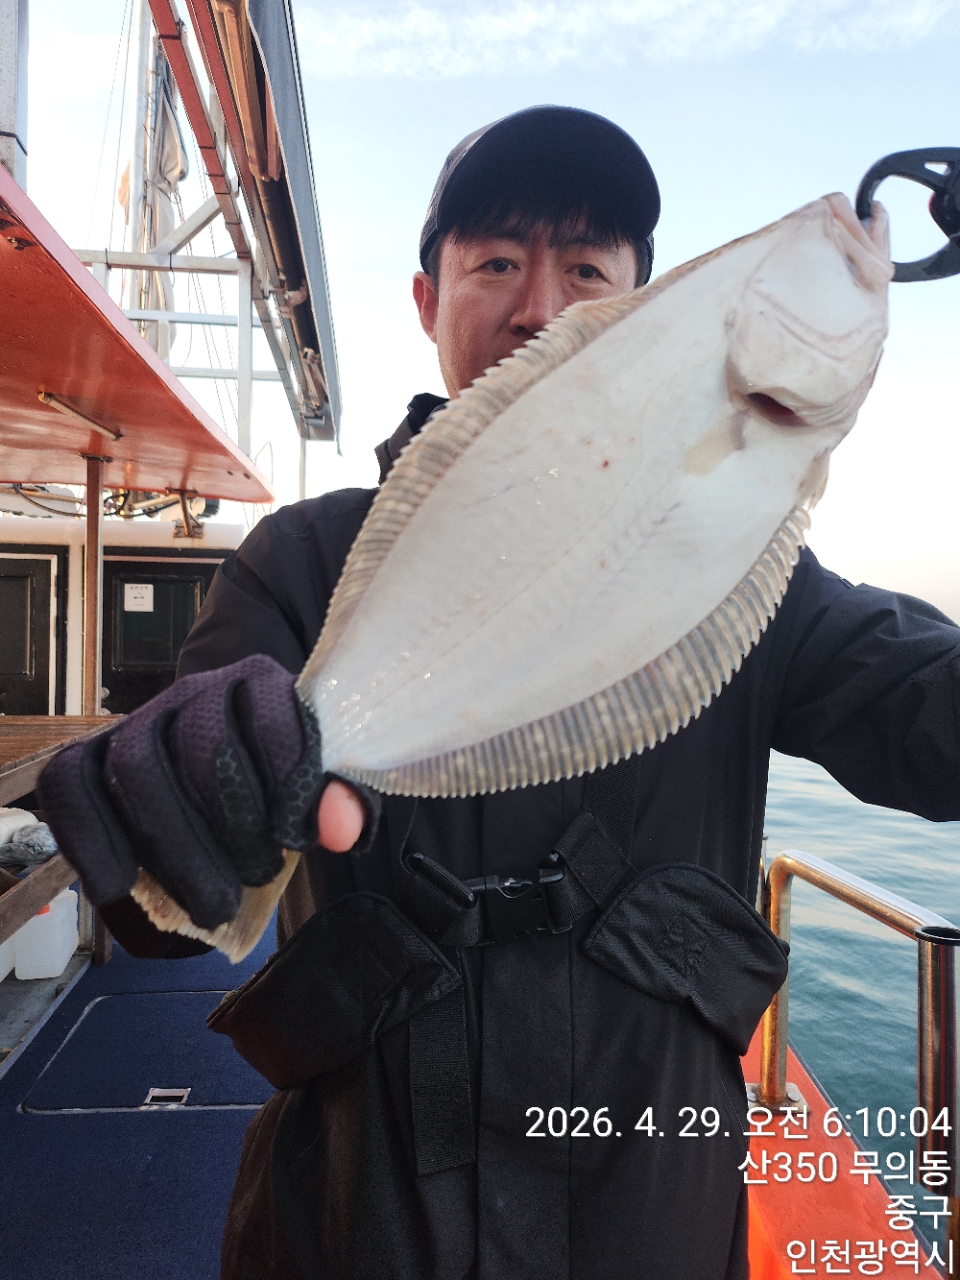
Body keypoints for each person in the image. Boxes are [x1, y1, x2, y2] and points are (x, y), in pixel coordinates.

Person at [38, 106, 960, 1280]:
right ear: (428, 300)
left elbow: (934, 722)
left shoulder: (750, 573)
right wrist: (174, 781)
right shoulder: (300, 561)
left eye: (588, 269)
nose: (539, 304)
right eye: (495, 262)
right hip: (356, 1224)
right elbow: (162, 907)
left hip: (652, 1225)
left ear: (636, 312)